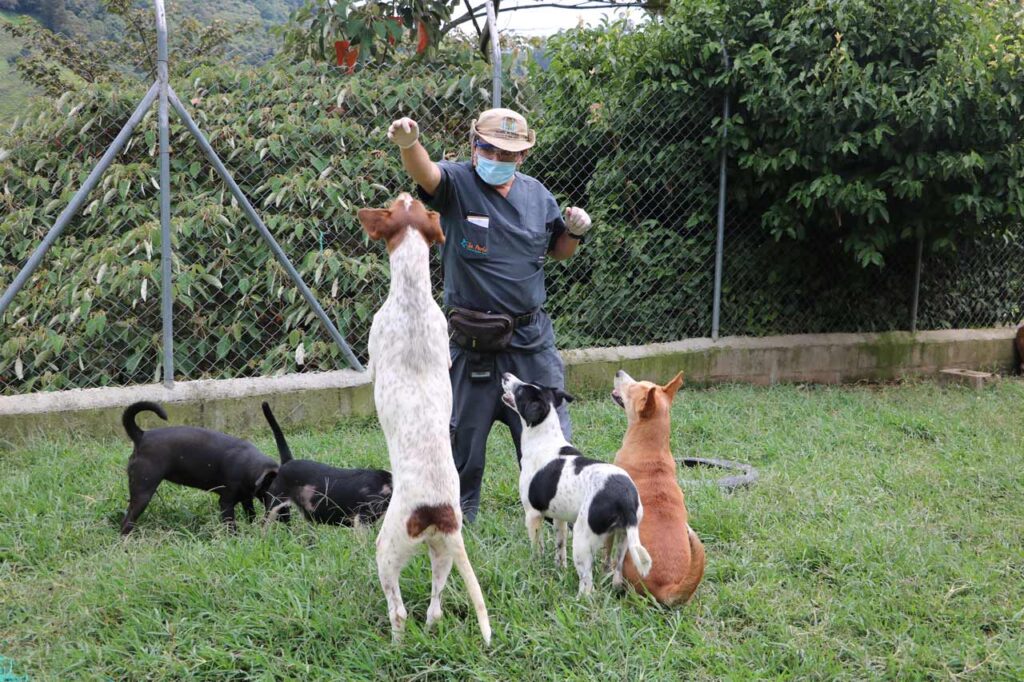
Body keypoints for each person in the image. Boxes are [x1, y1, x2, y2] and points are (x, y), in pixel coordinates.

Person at [387, 108, 592, 522]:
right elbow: (426, 173)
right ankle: (459, 524)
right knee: (462, 448)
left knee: (552, 447)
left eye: (508, 154)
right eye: (489, 149)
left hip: (530, 343)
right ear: (473, 145)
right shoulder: (458, 185)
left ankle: (561, 523)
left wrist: (573, 232)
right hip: (473, 345)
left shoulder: (538, 197)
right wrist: (409, 144)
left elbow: (558, 250)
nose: (497, 158)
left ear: (523, 156)